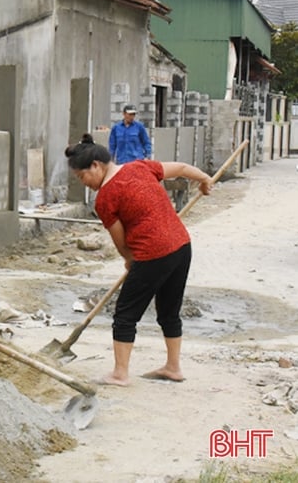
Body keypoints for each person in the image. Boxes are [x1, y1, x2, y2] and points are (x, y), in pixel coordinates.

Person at [65, 133, 212, 387]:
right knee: (169, 310)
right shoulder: (140, 166)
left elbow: (120, 240)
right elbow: (181, 168)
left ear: (96, 166)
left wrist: (130, 260)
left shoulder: (106, 197)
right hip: (181, 246)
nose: (84, 183)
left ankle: (120, 374)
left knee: (125, 314)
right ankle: (173, 367)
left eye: (82, 176)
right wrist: (204, 179)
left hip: (153, 253)